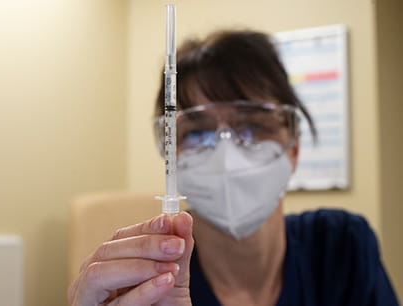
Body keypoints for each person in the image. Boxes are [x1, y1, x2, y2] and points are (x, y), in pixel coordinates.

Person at [68, 30, 399, 306]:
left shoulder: (340, 246)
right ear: (172, 158)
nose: (226, 152)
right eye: (196, 132)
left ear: (293, 149)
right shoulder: (152, 283)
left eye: (252, 126)